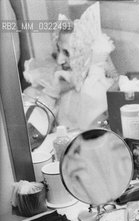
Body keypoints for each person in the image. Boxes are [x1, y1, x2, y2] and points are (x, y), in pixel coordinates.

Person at [22, 2, 118, 131]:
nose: (60, 60)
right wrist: (52, 92)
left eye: (67, 52)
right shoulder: (59, 84)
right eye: (58, 50)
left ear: (85, 53)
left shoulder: (100, 89)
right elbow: (33, 134)